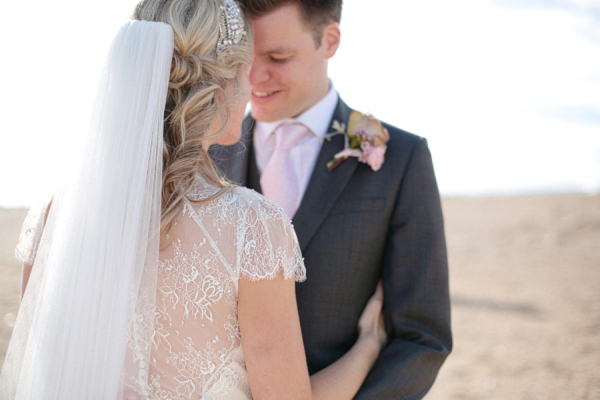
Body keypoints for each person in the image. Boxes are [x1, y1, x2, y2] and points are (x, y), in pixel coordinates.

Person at [0, 0, 387, 398]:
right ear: (222, 87)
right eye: (245, 69)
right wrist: (369, 346)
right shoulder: (251, 228)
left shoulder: (55, 217)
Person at [210, 0, 453, 398]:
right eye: (243, 57)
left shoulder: (402, 160)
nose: (253, 75)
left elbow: (422, 336)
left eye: (277, 56)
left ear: (330, 40)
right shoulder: (206, 152)